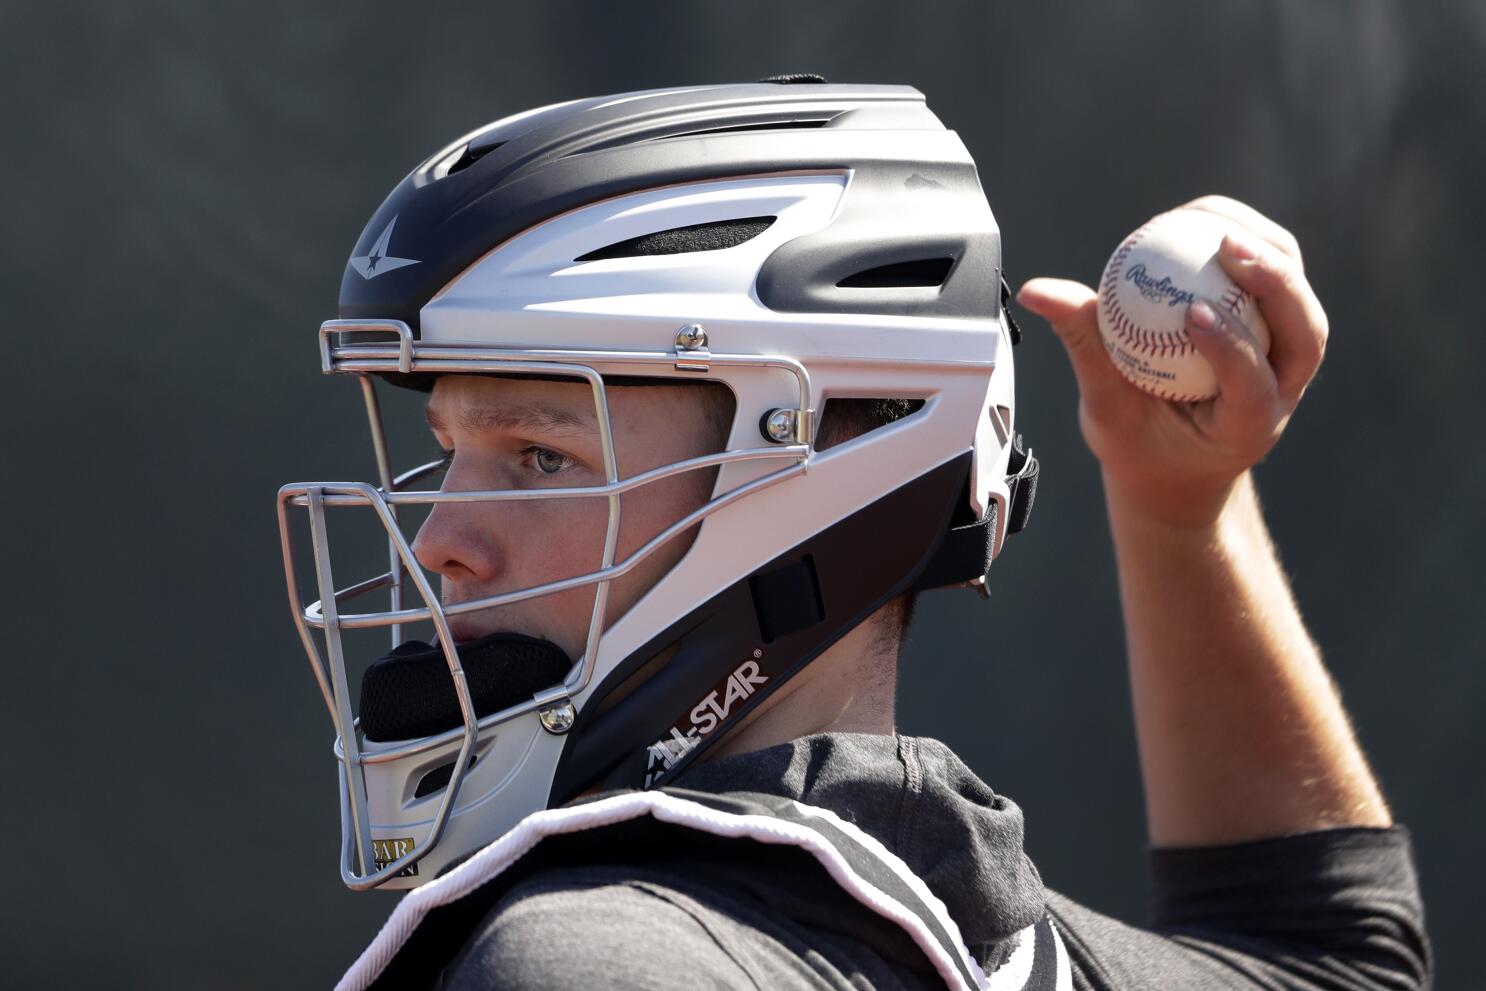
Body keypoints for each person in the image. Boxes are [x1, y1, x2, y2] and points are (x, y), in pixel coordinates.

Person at [277, 78, 1430, 990]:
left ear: (816, 470)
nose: (437, 541)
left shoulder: (591, 959)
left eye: (541, 456)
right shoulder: (1004, 946)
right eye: (449, 447)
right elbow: (1330, 961)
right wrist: (1181, 510)